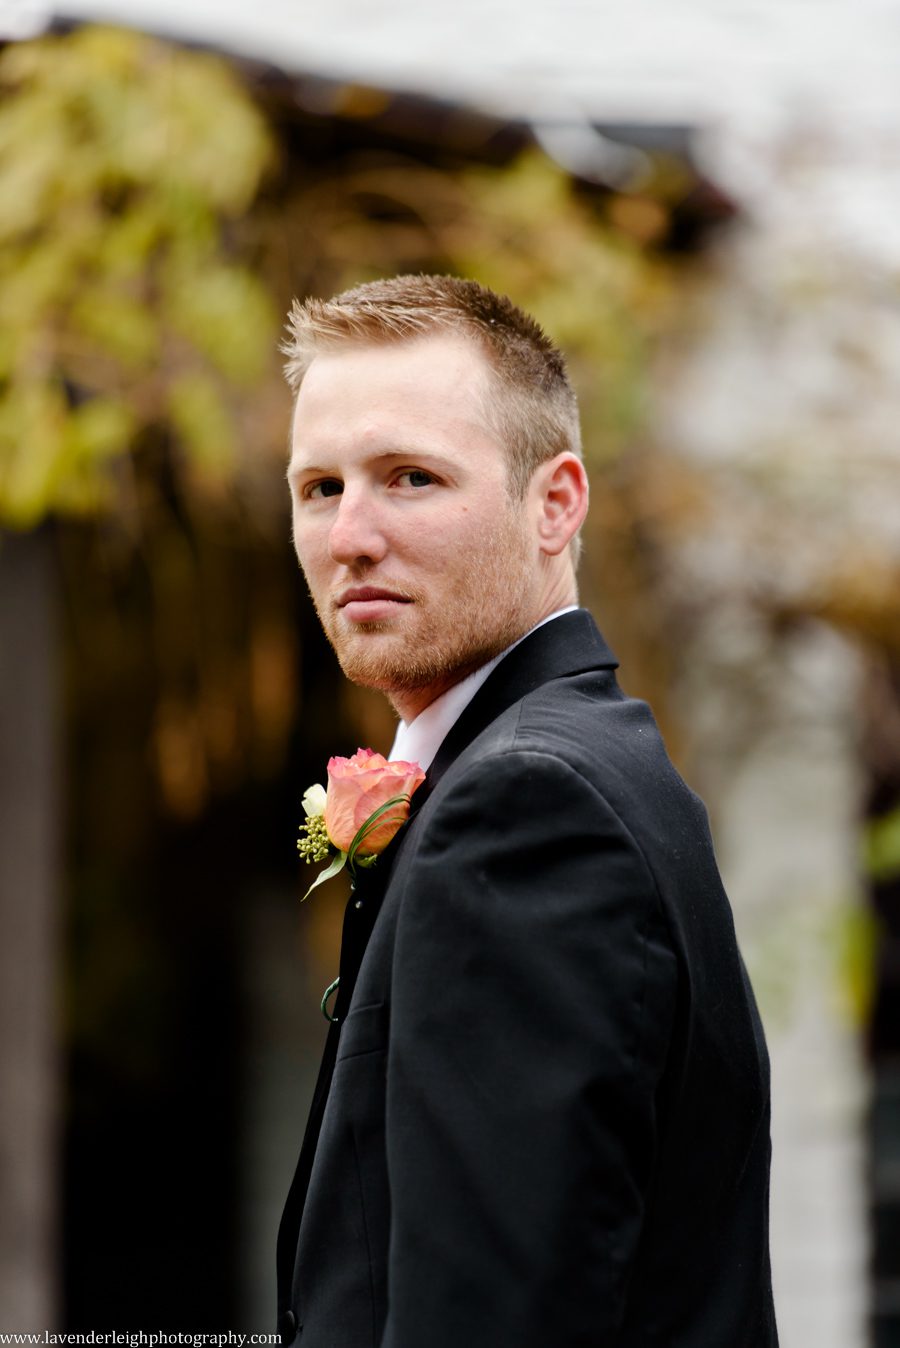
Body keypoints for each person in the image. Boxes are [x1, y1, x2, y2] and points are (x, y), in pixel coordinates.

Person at [276, 274, 778, 1347]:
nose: (350, 535)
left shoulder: (527, 809)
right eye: (319, 487)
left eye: (410, 477)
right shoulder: (592, 763)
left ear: (555, 504)